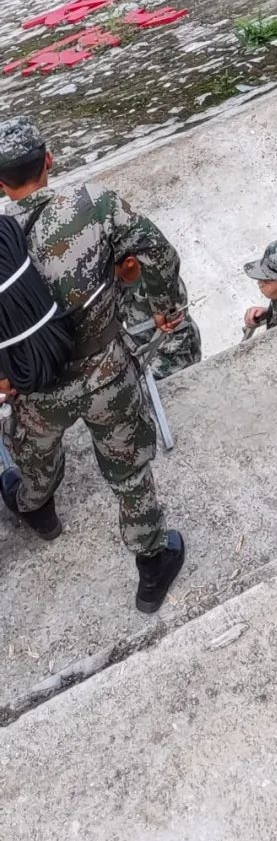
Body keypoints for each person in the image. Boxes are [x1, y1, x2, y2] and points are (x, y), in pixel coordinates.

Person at [0, 120, 186, 612]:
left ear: (0, 185)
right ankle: (152, 569)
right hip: (107, 373)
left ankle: (37, 511)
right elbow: (158, 253)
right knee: (128, 473)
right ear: (50, 160)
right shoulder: (93, 204)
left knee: (34, 457)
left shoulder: (2, 244)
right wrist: (168, 306)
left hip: (37, 387)